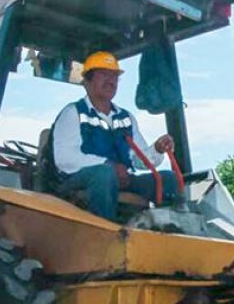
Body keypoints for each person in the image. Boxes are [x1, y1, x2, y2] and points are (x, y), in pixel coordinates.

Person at [50, 51, 179, 220]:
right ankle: (104, 234)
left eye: (114, 77)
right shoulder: (73, 113)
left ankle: (168, 232)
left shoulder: (126, 118)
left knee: (168, 179)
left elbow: (140, 160)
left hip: (119, 179)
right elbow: (64, 158)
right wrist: (109, 166)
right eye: (104, 75)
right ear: (87, 81)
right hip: (78, 181)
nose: (111, 81)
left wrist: (156, 149)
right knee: (104, 174)